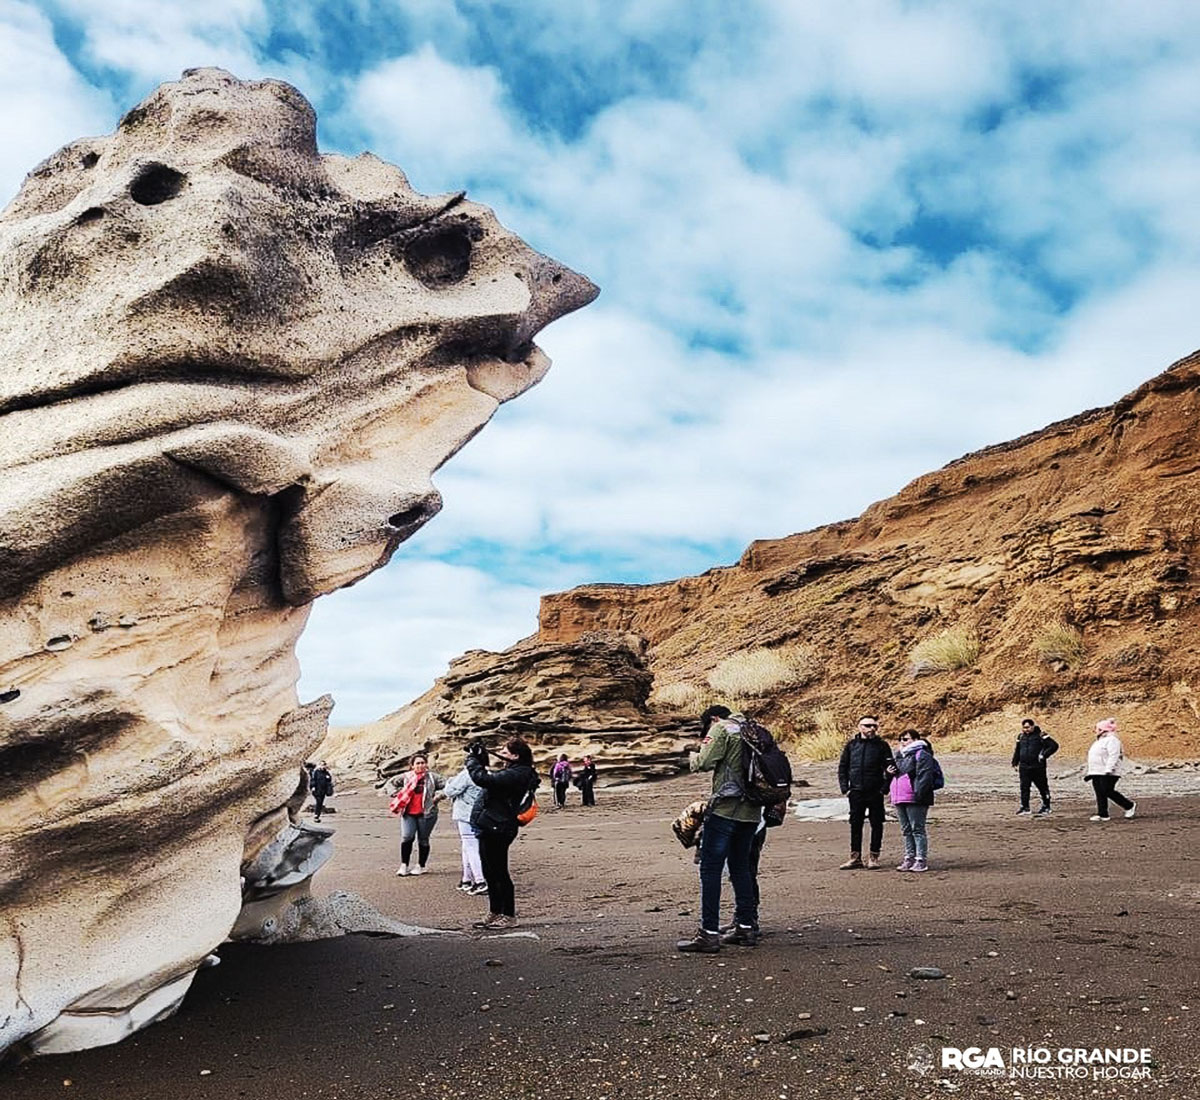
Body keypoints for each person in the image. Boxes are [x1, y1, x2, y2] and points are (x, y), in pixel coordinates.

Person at [677, 705, 760, 953]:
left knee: (710, 869)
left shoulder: (722, 728)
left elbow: (704, 762)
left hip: (726, 807)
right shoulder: (755, 728)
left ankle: (708, 933)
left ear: (713, 718)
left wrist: (691, 755)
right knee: (741, 867)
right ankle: (746, 927)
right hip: (753, 811)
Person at [465, 737, 540, 930]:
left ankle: (509, 915)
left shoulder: (519, 773)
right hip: (490, 825)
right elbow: (490, 781)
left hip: (500, 827)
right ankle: (495, 911)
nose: (502, 754)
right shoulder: (513, 771)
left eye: (505, 752)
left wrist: (472, 760)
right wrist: (481, 759)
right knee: (489, 872)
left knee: (500, 872)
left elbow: (483, 779)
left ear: (516, 756)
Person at [836, 715, 892, 869]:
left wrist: (884, 788)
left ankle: (873, 857)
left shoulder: (882, 746)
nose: (871, 729)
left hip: (875, 791)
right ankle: (855, 857)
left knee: (877, 824)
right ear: (860, 727)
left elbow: (891, 768)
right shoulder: (851, 745)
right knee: (855, 824)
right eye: (868, 725)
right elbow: (843, 767)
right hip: (856, 791)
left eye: (874, 726)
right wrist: (845, 788)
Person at [386, 753, 446, 876]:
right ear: (412, 766)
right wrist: (396, 793)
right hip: (408, 813)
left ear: (426, 764)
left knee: (423, 840)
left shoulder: (433, 777)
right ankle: (404, 865)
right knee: (407, 837)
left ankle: (421, 866)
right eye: (417, 763)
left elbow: (449, 786)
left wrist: (439, 795)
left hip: (427, 813)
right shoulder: (406, 777)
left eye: (422, 763)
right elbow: (390, 783)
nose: (420, 765)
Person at [888, 729, 938, 872]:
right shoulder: (899, 755)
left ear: (915, 739)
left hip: (915, 797)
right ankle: (909, 857)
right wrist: (888, 773)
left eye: (906, 739)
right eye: (901, 739)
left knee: (917, 829)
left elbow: (925, 777)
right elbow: (894, 774)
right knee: (906, 830)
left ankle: (921, 859)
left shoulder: (922, 754)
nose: (902, 742)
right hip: (899, 796)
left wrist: (919, 795)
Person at [443, 765, 488, 895]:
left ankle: (480, 881)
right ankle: (466, 879)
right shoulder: (486, 773)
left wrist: (450, 781)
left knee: (471, 847)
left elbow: (450, 791)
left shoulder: (467, 774)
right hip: (481, 814)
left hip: (465, 814)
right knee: (468, 847)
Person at [1085, 718, 1136, 822]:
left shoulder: (1112, 740)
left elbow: (1114, 755)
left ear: (1103, 729)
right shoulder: (1099, 741)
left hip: (1108, 771)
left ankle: (1129, 805)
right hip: (1097, 771)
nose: (1095, 730)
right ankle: (1103, 814)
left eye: (1098, 728)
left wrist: (1109, 769)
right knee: (1099, 792)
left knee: (1107, 790)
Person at [1011, 718, 1059, 816]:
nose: (1026, 729)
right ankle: (1025, 807)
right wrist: (1015, 763)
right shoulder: (1021, 737)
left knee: (1042, 787)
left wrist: (1043, 755)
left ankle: (1046, 806)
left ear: (1033, 726)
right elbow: (1017, 750)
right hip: (1024, 767)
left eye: (1028, 727)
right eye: (1024, 728)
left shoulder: (1041, 735)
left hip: (1038, 767)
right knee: (1024, 788)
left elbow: (1054, 746)